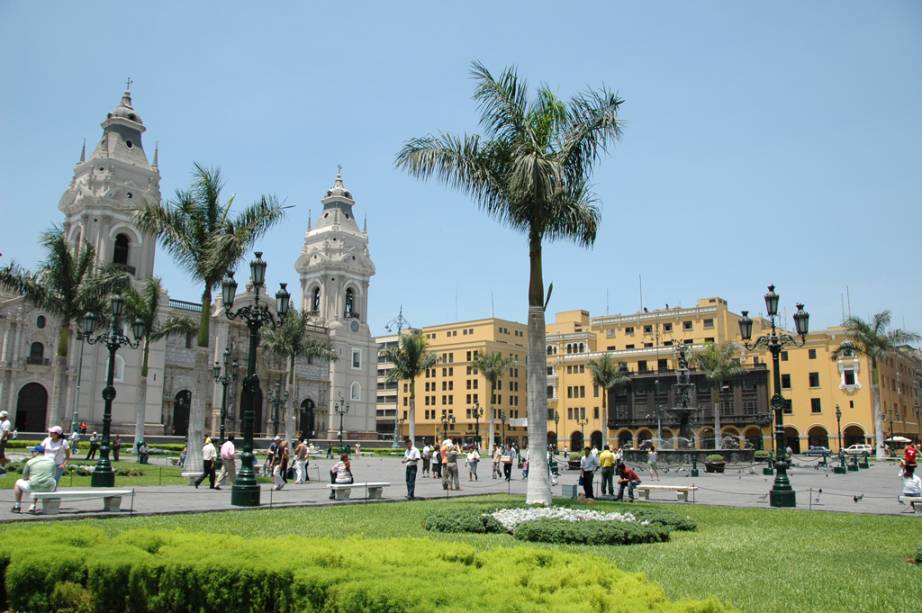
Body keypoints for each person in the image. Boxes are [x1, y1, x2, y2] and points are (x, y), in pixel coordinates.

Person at [11, 445, 56, 513]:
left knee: (18, 482)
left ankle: (17, 506)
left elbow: (24, 478)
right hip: (48, 488)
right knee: (45, 481)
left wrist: (31, 477)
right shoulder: (52, 461)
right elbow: (53, 475)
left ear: (37, 453)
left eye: (32, 452)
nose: (31, 453)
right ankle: (32, 506)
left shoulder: (30, 462)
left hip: (34, 486)